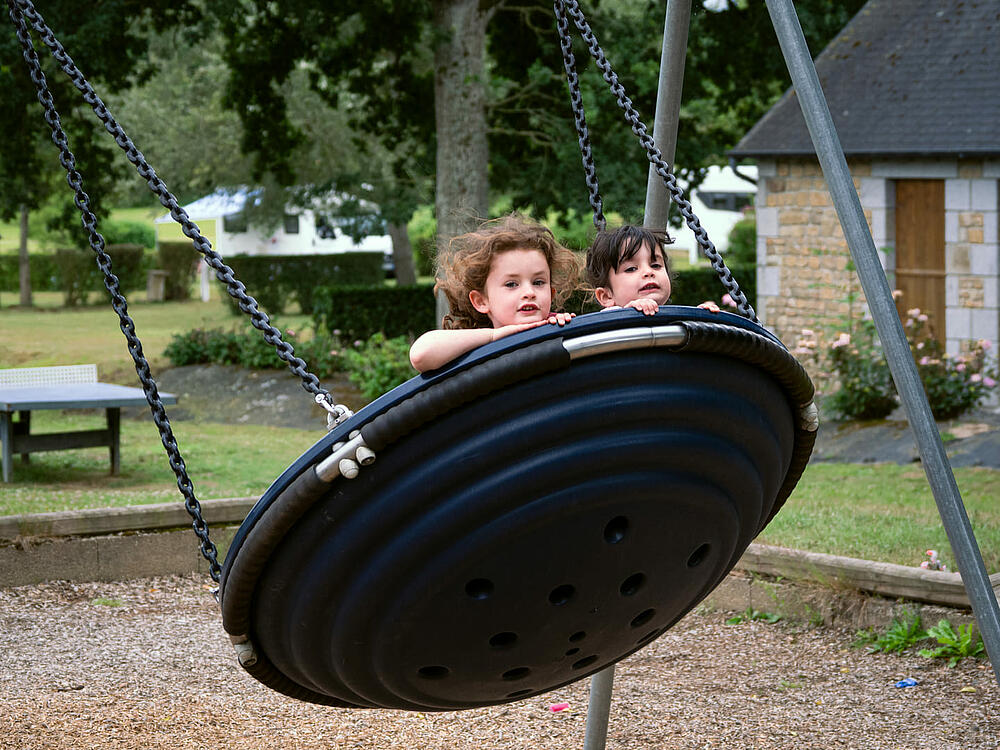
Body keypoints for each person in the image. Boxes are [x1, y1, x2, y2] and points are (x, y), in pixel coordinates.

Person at [409, 215, 581, 373]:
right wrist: (493, 337)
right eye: (511, 284)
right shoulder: (478, 341)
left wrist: (567, 327)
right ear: (481, 301)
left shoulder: (557, 326)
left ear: (551, 293)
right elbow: (421, 355)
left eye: (538, 282)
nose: (529, 293)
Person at [585, 224, 720, 315]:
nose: (648, 272)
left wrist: (701, 317)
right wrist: (629, 314)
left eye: (656, 265)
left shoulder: (670, 319)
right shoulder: (607, 320)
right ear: (606, 296)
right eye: (631, 269)